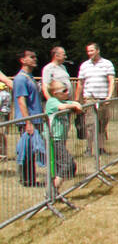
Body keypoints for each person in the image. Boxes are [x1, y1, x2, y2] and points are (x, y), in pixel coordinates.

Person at [75, 42, 115, 155]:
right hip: (90, 99)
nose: (89, 53)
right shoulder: (84, 65)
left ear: (97, 50)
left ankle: (101, 149)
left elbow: (111, 80)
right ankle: (89, 149)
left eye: (91, 51)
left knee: (102, 125)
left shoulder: (107, 64)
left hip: (103, 99)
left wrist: (109, 96)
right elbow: (80, 83)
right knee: (90, 125)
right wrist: (77, 100)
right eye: (88, 51)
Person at [43, 81, 82, 193]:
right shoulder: (52, 101)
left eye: (67, 89)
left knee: (61, 166)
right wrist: (73, 105)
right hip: (53, 139)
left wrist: (75, 104)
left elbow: (76, 104)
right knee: (68, 163)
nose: (68, 92)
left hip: (60, 139)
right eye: (64, 90)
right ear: (55, 93)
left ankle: (54, 191)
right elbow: (62, 107)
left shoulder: (62, 100)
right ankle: (51, 191)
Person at [12, 49, 44, 186]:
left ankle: (30, 179)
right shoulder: (20, 78)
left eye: (35, 57)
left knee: (32, 151)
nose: (34, 59)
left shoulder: (30, 77)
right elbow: (21, 101)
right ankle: (26, 180)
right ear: (23, 60)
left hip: (35, 118)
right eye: (31, 57)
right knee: (27, 151)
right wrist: (27, 122)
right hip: (27, 120)